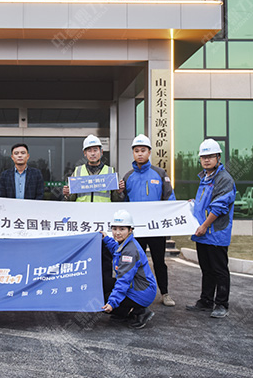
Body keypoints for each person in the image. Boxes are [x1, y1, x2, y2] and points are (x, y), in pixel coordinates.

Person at [63, 134, 125, 302]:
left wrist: (119, 192)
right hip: (83, 224)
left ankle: (104, 295)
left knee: (105, 260)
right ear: (84, 153)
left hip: (103, 225)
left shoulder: (110, 172)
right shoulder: (78, 171)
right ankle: (82, 293)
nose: (92, 153)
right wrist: (67, 194)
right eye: (89, 150)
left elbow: (116, 200)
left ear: (101, 152)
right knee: (83, 260)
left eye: (95, 150)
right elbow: (72, 200)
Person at [120, 134, 176, 307]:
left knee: (159, 262)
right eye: (136, 151)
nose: (140, 154)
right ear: (133, 153)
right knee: (135, 262)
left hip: (156, 228)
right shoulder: (128, 177)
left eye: (143, 150)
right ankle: (136, 293)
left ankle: (165, 293)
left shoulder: (160, 174)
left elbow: (170, 198)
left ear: (149, 152)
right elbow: (122, 204)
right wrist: (119, 192)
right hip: (136, 230)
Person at [186, 138, 236, 319]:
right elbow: (206, 203)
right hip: (203, 233)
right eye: (203, 157)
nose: (206, 160)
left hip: (215, 233)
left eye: (210, 156)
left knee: (219, 270)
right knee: (206, 269)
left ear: (218, 158)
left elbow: (219, 207)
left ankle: (221, 304)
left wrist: (205, 225)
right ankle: (206, 300)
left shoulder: (224, 179)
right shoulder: (205, 178)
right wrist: (194, 203)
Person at [101, 209, 157, 329]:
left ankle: (141, 311)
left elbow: (124, 280)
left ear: (130, 230)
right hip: (138, 286)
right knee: (105, 284)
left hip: (142, 291)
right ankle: (122, 312)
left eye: (122, 229)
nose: (117, 233)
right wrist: (106, 238)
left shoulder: (130, 251)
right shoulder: (126, 243)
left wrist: (112, 303)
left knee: (104, 298)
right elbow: (116, 249)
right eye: (114, 229)